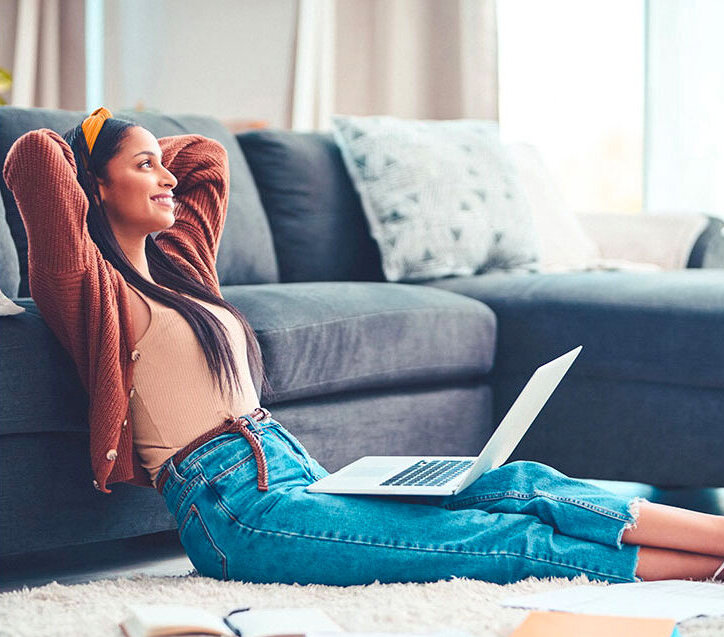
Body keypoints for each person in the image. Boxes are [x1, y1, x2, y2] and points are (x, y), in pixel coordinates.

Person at [3, 107, 724, 586]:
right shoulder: (86, 287)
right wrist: (90, 135)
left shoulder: (184, 266)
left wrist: (137, 154)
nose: (166, 176)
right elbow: (33, 159)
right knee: (492, 538)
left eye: (162, 164)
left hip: (294, 467)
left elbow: (208, 162)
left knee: (514, 481)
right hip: (236, 513)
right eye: (142, 167)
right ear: (94, 189)